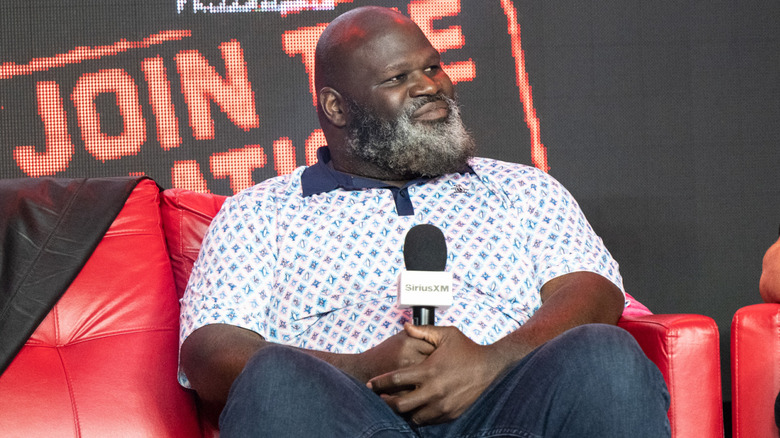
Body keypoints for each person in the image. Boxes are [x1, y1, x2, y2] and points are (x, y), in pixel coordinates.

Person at [178, 6, 670, 437]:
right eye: (398, 78)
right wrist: (361, 369)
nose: (430, 86)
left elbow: (591, 290)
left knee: (606, 354)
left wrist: (491, 361)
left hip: (504, 405)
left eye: (433, 67)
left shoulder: (521, 189)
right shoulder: (261, 212)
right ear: (336, 107)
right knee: (274, 381)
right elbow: (209, 350)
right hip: (347, 415)